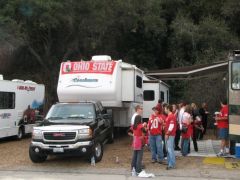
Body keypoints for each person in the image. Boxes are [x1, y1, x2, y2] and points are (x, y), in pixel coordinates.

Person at [164, 104, 177, 170]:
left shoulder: (171, 116)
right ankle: (169, 162)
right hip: (169, 135)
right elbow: (169, 125)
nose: (164, 110)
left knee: (170, 149)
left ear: (168, 109)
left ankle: (172, 164)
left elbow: (171, 126)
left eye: (165, 109)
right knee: (168, 149)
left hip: (170, 135)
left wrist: (167, 133)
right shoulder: (169, 116)